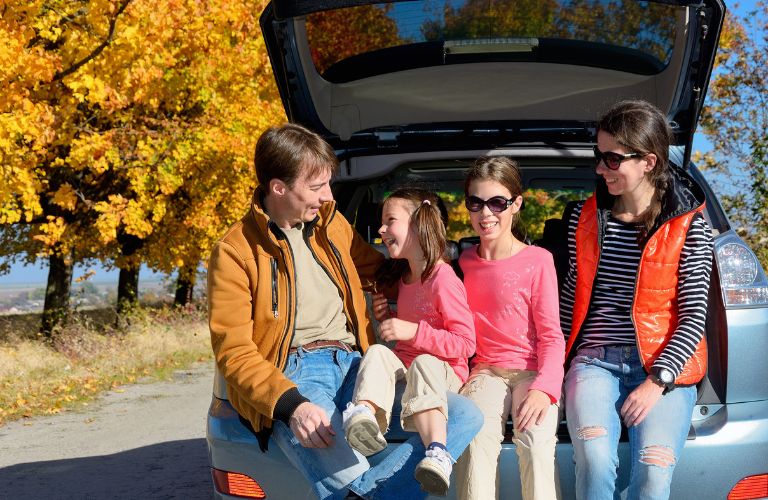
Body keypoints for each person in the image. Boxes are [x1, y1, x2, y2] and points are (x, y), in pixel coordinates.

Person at [207, 123, 482, 500]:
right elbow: (233, 352)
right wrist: (291, 406)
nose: (328, 196)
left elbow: (382, 272)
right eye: (317, 186)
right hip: (294, 373)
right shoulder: (235, 252)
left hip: (360, 364)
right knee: (352, 473)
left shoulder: (331, 224)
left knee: (466, 415)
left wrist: (434, 281)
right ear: (278, 187)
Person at [559, 100, 714, 499]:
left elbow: (694, 315)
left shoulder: (689, 224)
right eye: (599, 156)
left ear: (648, 161)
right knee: (594, 461)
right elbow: (571, 299)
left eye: (612, 159)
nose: (600, 168)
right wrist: (552, 371)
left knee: (653, 473)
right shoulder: (584, 217)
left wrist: (657, 381)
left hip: (665, 370)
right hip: (594, 361)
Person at [342, 188, 477, 497]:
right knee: (376, 353)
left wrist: (411, 331)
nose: (381, 229)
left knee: (424, 362)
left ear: (418, 225)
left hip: (442, 375)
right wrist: (387, 315)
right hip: (408, 370)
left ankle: (438, 452)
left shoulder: (444, 279)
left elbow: (465, 344)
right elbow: (409, 331)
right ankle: (364, 417)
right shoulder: (404, 279)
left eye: (390, 221)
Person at [453, 156, 565, 500]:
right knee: (474, 441)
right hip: (485, 372)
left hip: (532, 371)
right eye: (475, 203)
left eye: (497, 202)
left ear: (516, 204)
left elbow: (551, 335)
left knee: (534, 444)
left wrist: (545, 388)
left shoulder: (538, 260)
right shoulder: (461, 263)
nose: (485, 213)